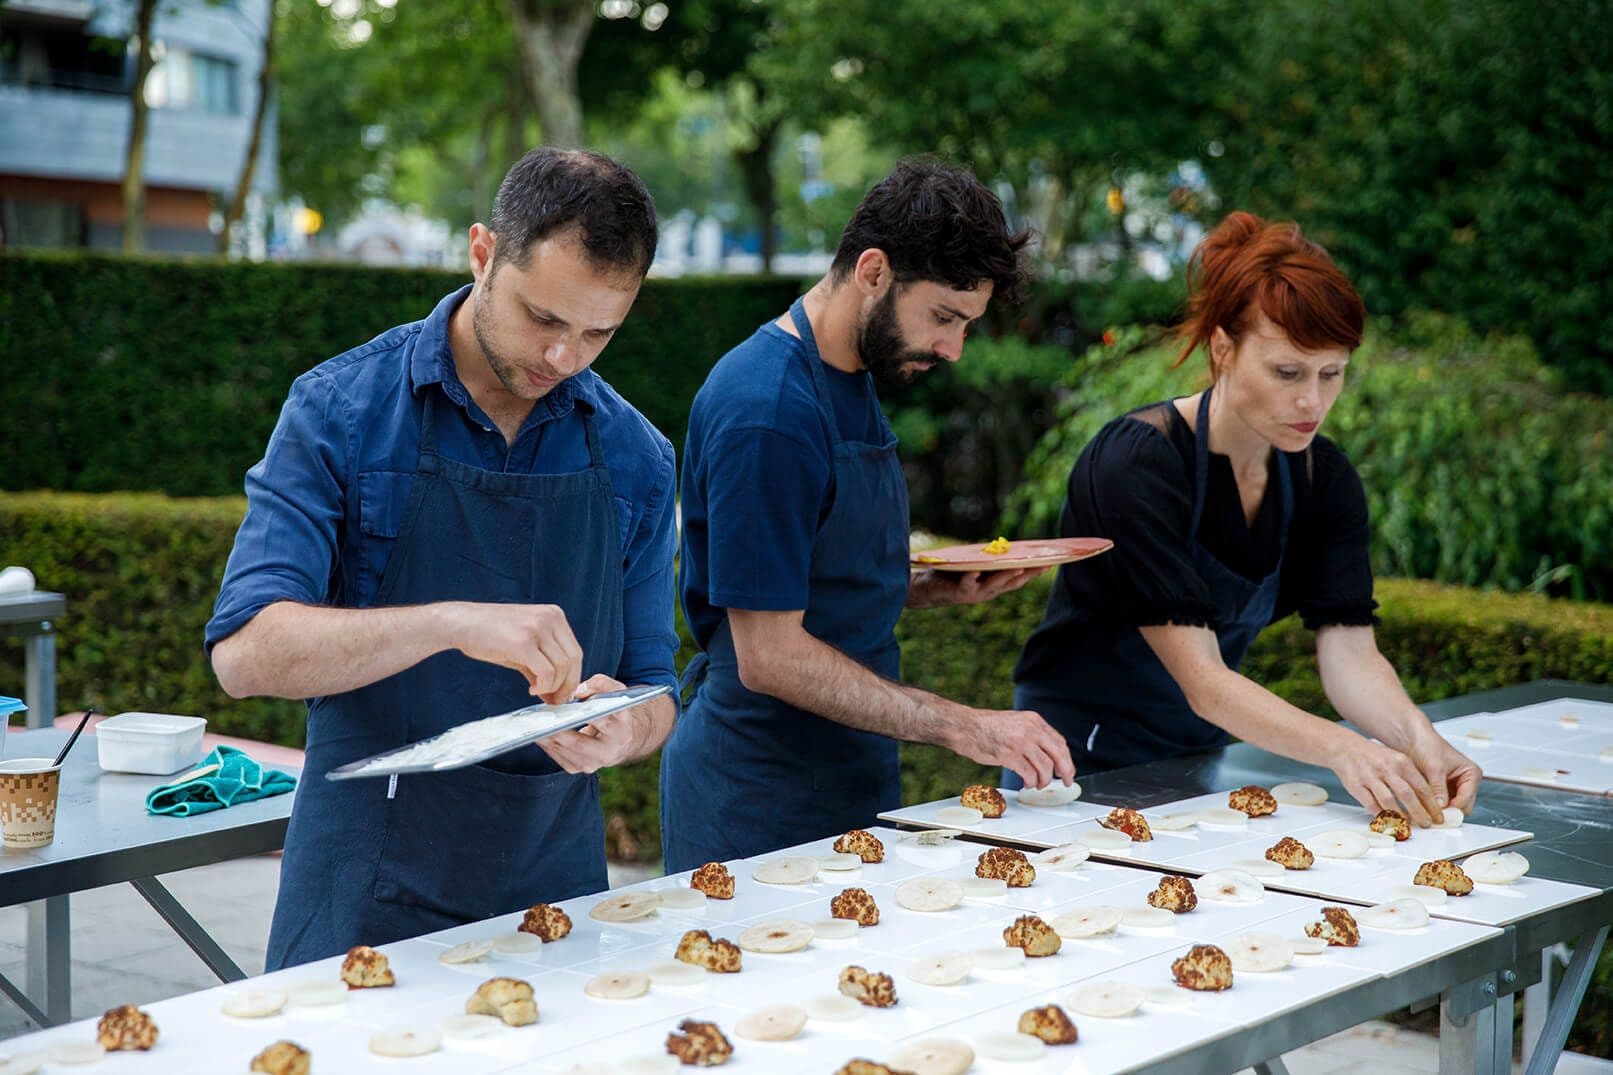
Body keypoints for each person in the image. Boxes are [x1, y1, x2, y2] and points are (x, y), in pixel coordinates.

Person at [206, 148, 679, 969]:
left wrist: (628, 726)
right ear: (482, 253)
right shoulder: (339, 410)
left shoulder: (637, 456)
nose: (564, 357)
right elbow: (244, 655)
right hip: (361, 888)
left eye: (597, 332)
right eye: (543, 318)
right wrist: (449, 622)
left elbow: (658, 682)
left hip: (555, 894)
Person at [659, 159, 1076, 872]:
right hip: (755, 797)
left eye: (966, 325)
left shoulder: (849, 375)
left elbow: (807, 571)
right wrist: (966, 726)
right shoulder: (767, 410)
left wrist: (918, 583)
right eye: (944, 317)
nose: (952, 348)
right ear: (874, 271)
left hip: (850, 780)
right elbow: (768, 654)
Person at [1013, 211, 1481, 824]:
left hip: (1195, 754)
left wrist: (1418, 737)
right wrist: (1345, 750)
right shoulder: (1135, 464)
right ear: (1222, 349)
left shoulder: (1323, 478)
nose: (1312, 401)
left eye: (1331, 373)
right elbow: (1204, 679)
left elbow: (1351, 653)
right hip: (1069, 762)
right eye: (1287, 372)